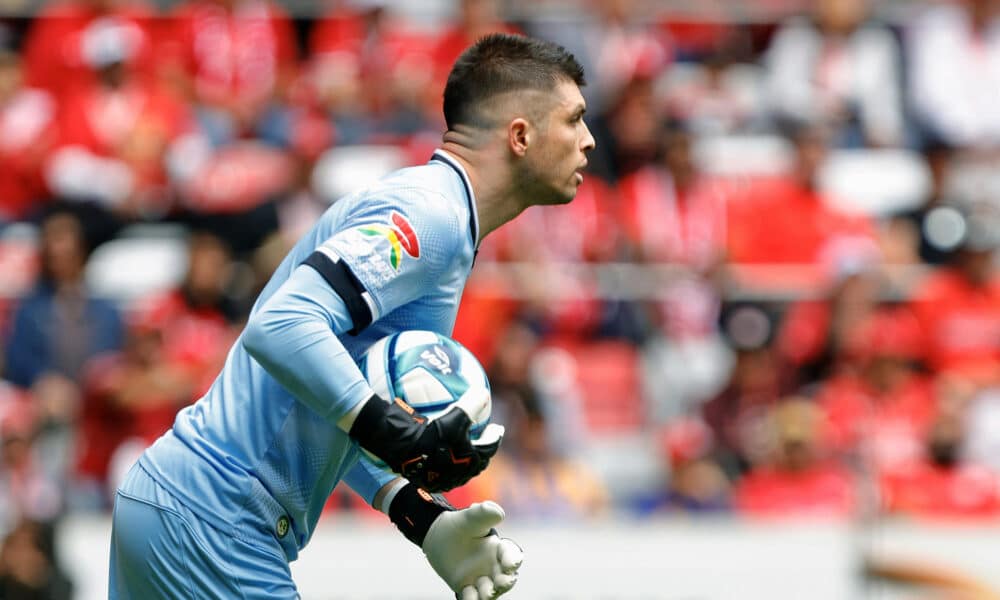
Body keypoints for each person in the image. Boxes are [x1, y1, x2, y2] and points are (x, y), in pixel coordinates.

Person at [109, 33, 595, 599]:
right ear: (520, 135)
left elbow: (331, 395)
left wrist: (420, 516)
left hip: (182, 506)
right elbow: (284, 324)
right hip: (220, 522)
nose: (588, 141)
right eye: (575, 119)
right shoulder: (430, 217)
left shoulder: (440, 216)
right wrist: (389, 429)